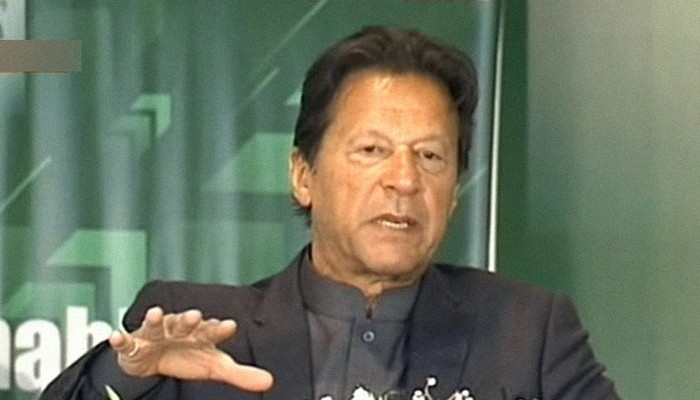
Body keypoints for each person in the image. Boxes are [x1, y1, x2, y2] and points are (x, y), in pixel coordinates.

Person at [40, 26, 619, 400]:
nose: (404, 180)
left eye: (431, 156)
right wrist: (123, 380)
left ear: (455, 191)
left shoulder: (526, 332)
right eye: (371, 150)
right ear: (303, 175)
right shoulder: (203, 333)